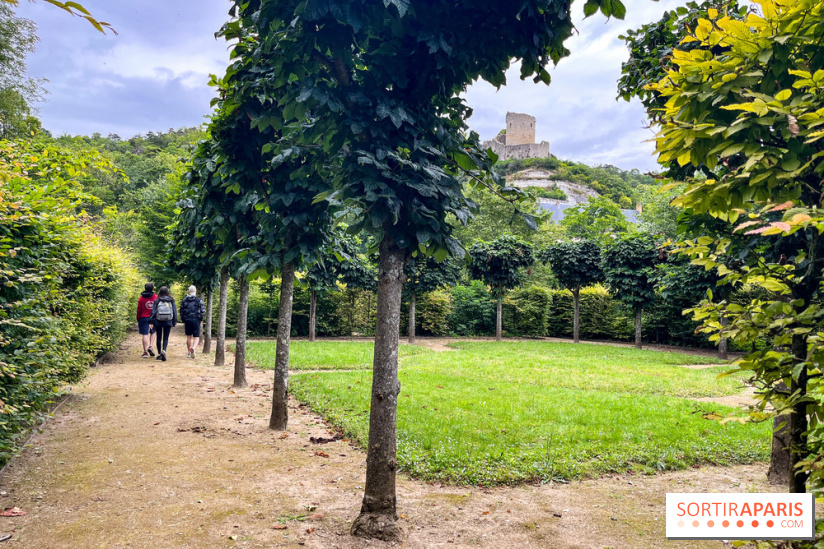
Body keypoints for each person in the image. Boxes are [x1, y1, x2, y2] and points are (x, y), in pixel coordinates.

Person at [148, 286, 177, 361]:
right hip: (168, 321)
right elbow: (174, 312)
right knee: (166, 337)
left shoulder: (157, 300)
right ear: (167, 292)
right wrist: (174, 322)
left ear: (160, 292)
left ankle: (159, 353)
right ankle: (164, 351)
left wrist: (151, 321)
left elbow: (153, 311)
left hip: (158, 321)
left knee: (159, 337)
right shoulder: (171, 300)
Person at [179, 285, 206, 359]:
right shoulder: (199, 300)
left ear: (188, 291)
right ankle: (193, 348)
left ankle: (188, 352)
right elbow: (203, 311)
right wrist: (200, 319)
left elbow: (181, 311)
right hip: (196, 319)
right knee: (196, 337)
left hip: (187, 319)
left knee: (189, 336)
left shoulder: (184, 300)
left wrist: (183, 319)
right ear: (196, 291)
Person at [136, 283, 157, 358]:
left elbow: (139, 310)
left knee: (145, 334)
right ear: (152, 288)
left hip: (143, 317)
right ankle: (151, 346)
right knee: (153, 332)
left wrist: (138, 318)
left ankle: (145, 352)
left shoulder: (141, 298)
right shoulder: (156, 297)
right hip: (153, 318)